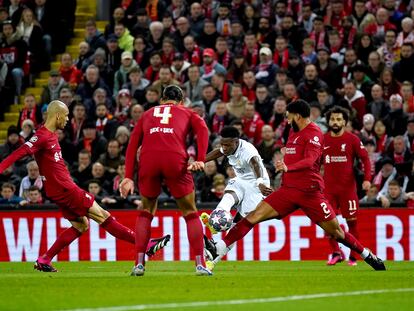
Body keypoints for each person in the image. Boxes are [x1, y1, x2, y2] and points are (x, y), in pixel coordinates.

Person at [204, 100, 386, 271]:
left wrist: (287, 166)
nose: (286, 118)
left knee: (337, 232)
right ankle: (218, 248)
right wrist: (285, 158)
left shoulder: (314, 133)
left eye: (288, 115)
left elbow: (310, 160)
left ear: (298, 115)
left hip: (310, 193)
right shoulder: (292, 131)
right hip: (288, 191)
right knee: (251, 217)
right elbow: (295, 153)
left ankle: (367, 255)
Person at [0, 100, 170, 272]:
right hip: (65, 188)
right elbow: (21, 151)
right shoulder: (42, 136)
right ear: (57, 115)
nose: (67, 119)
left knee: (81, 225)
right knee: (103, 215)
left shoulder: (49, 135)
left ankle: (45, 259)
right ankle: (146, 244)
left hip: (59, 189)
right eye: (66, 116)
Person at [119, 85, 211, 276]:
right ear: (181, 100)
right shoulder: (187, 112)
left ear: (162, 100)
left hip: (149, 160)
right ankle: (200, 265)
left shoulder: (147, 113)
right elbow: (202, 128)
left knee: (146, 211)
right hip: (174, 159)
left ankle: (139, 264)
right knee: (190, 212)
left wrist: (128, 176)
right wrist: (201, 158)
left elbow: (132, 144)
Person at [201, 126, 273, 270]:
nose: (224, 148)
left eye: (227, 145)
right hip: (241, 180)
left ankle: (214, 257)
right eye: (222, 144)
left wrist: (259, 183)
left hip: (256, 186)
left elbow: (256, 164)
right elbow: (217, 153)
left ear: (236, 142)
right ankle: (216, 220)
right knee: (228, 196)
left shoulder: (248, 150)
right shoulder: (228, 146)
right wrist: (199, 160)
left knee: (238, 225)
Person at [323, 106, 372, 266]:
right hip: (328, 190)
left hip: (347, 190)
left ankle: (353, 256)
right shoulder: (322, 140)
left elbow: (365, 159)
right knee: (326, 222)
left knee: (352, 223)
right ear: (328, 121)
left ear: (344, 121)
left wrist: (367, 179)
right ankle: (336, 252)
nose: (335, 122)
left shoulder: (352, 139)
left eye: (338, 119)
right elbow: (314, 163)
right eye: (332, 119)